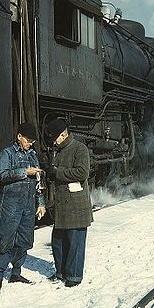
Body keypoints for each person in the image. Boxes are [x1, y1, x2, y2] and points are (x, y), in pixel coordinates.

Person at [0, 122, 46, 294]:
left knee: (24, 241)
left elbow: (38, 183)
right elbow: (3, 175)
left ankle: (16, 273)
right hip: (11, 206)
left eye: (33, 141)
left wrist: (41, 203)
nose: (30, 144)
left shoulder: (33, 155)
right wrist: (25, 172)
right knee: (5, 241)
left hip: (28, 206)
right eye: (28, 140)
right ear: (19, 137)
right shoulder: (7, 154)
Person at [46, 118, 93, 287]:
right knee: (58, 241)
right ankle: (61, 272)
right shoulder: (58, 150)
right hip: (62, 205)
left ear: (64, 134)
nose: (53, 141)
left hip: (76, 204)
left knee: (75, 242)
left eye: (55, 137)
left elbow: (82, 173)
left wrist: (57, 172)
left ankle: (74, 276)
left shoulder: (80, 149)